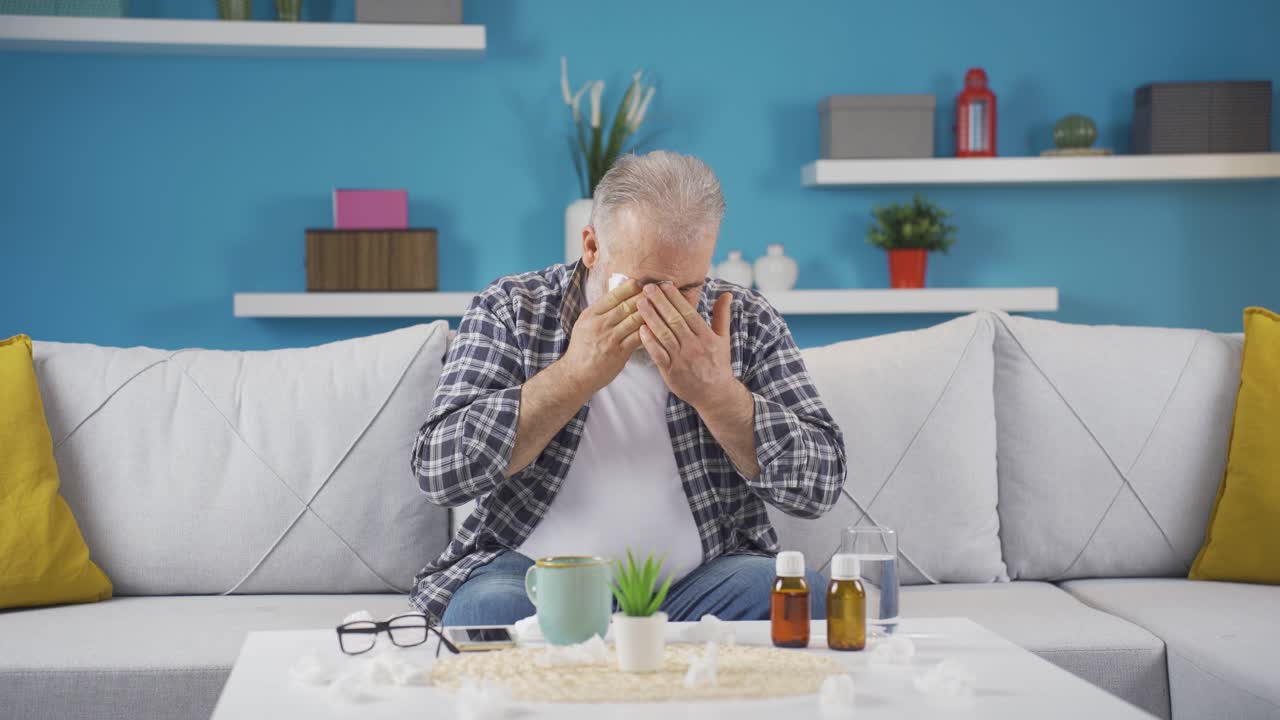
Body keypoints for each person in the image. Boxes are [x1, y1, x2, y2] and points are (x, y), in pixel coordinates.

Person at [410, 150, 846, 626]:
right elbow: (439, 471)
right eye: (647, 285)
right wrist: (573, 376)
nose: (668, 308)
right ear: (592, 247)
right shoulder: (513, 309)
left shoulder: (747, 319)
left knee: (809, 600)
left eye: (688, 289)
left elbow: (819, 488)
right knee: (487, 611)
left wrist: (718, 396)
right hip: (535, 577)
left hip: (701, 582)